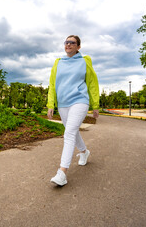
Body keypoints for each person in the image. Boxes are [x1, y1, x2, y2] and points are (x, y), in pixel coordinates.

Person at [47, 35, 99, 186]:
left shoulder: (84, 61)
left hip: (80, 101)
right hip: (63, 103)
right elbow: (52, 84)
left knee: (68, 133)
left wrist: (95, 105)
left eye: (72, 43)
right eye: (66, 42)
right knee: (73, 131)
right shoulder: (58, 62)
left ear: (78, 47)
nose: (68, 44)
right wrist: (51, 104)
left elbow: (92, 83)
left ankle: (62, 172)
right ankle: (84, 152)